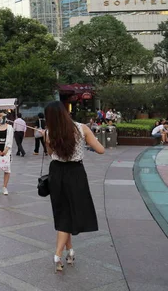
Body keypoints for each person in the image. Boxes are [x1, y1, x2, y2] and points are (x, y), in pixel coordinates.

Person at [44, 101, 104, 273]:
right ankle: (57, 255)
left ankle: (70, 251)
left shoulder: (48, 132)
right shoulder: (81, 128)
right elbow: (101, 150)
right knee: (69, 212)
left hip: (56, 173)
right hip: (75, 172)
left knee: (63, 211)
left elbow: (50, 154)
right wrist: (86, 144)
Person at [0, 112, 14, 198]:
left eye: (4, 116)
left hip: (6, 151)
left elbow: (10, 140)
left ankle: (5, 187)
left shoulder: (10, 128)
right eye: (0, 116)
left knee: (6, 169)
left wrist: (6, 150)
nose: (2, 117)